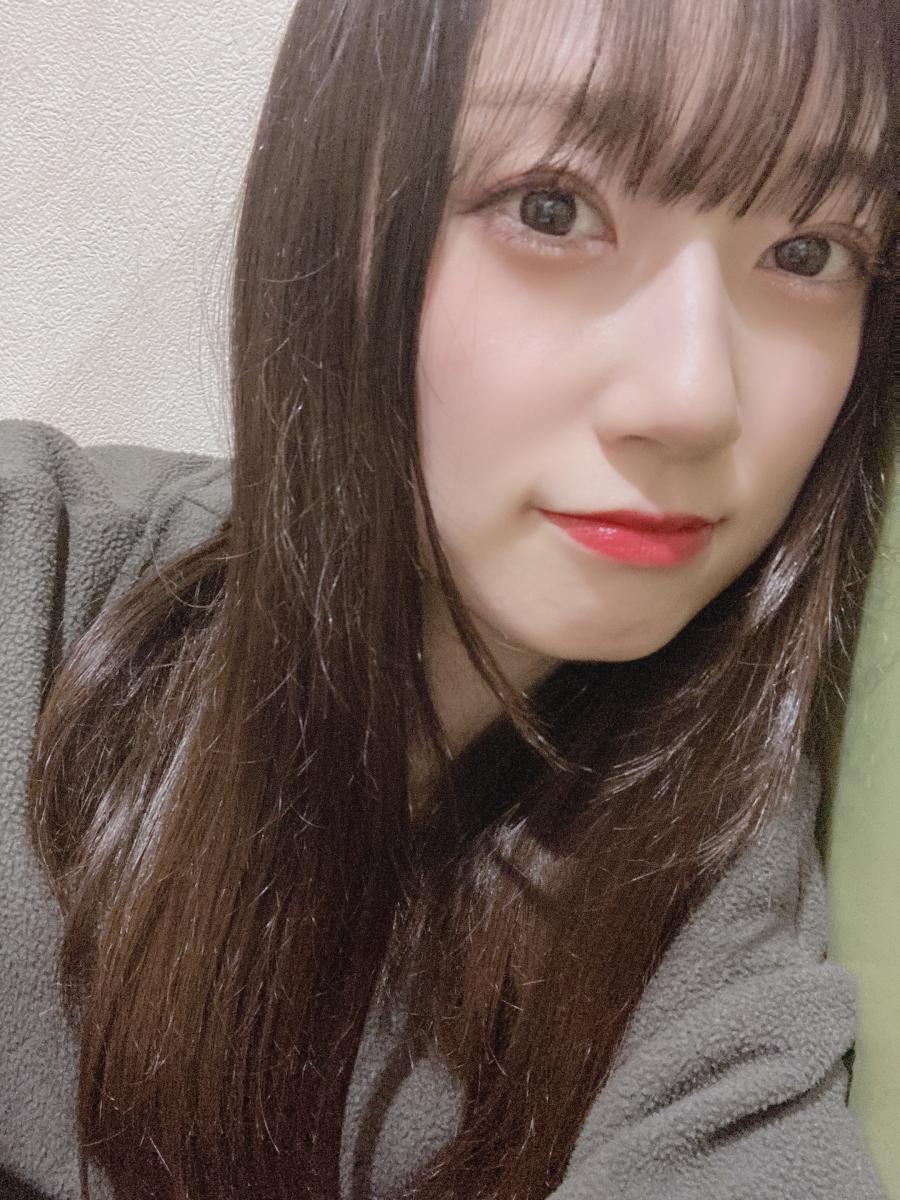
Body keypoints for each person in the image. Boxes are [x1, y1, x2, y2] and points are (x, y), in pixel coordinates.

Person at [1, 0, 896, 1196]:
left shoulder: (713, 886)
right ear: (334, 217)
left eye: (810, 251)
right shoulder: (39, 578)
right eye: (551, 207)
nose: (693, 401)